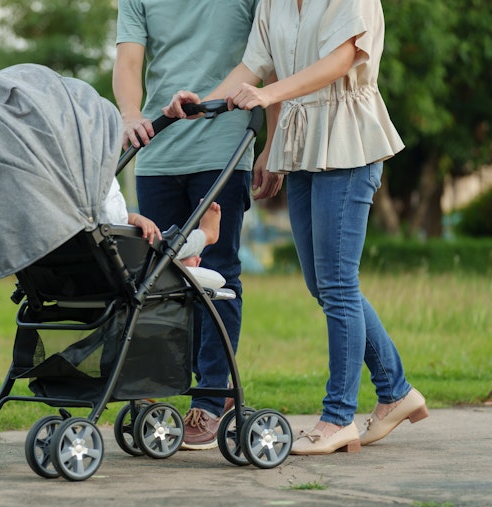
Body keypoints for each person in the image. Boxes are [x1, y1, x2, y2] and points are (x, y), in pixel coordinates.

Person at [164, 0, 427, 455]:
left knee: (338, 283)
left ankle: (337, 417)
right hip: (301, 142)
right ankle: (396, 392)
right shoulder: (275, 3)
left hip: (348, 138)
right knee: (321, 283)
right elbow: (253, 65)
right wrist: (202, 102)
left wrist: (270, 95)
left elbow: (342, 59)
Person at [113, 0, 284, 451]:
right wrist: (131, 114)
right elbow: (128, 62)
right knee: (156, 277)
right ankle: (160, 389)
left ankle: (211, 398)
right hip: (159, 149)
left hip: (223, 148)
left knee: (217, 269)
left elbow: (269, 60)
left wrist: (272, 144)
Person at [100, 175, 223, 268]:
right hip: (119, 261)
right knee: (161, 247)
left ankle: (174, 261)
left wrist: (131, 218)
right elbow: (110, 216)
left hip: (92, 257)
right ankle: (206, 235)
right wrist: (128, 218)